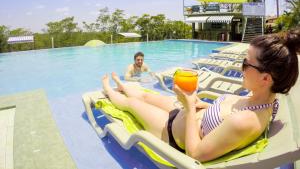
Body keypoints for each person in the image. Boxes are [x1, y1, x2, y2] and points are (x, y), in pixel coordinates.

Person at [102, 29, 300, 162]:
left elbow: (195, 154)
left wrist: (188, 107)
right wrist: (199, 104)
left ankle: (109, 91)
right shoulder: (262, 98)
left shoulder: (246, 121)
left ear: (266, 79)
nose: (241, 68)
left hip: (171, 130)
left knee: (131, 104)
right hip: (188, 114)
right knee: (144, 96)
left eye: (246, 64)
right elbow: (223, 118)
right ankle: (121, 84)